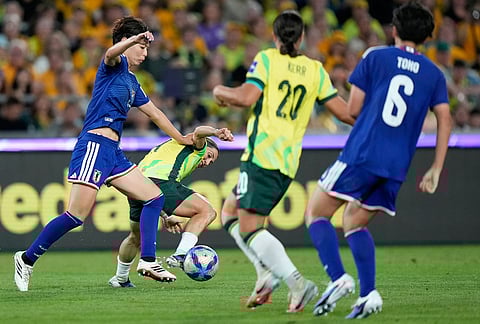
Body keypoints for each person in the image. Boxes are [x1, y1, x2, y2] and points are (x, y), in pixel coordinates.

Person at [14, 16, 194, 292]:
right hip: (94, 146)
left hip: (113, 152)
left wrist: (182, 138)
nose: (145, 53)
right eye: (141, 47)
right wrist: (133, 39)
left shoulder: (133, 83)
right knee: (75, 216)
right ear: (127, 42)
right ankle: (26, 259)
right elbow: (110, 52)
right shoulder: (114, 66)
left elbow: (156, 114)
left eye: (146, 47)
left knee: (154, 197)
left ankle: (147, 261)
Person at [305, 2, 452, 319]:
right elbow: (445, 119)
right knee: (354, 222)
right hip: (396, 166)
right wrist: (436, 168)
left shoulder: (375, 56)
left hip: (364, 152)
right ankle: (368, 294)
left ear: (394, 30)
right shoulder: (434, 74)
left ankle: (338, 278)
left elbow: (355, 110)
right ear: (426, 36)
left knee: (316, 212)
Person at [213, 10, 355, 313]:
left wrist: (220, 91)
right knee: (228, 212)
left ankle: (297, 283)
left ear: (275, 36)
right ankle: (265, 274)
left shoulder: (267, 59)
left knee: (250, 228)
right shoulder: (315, 70)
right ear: (301, 38)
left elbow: (247, 97)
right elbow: (345, 114)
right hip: (287, 161)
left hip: (262, 156)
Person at [108, 125, 234, 287]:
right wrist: (216, 132)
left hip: (136, 183)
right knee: (207, 211)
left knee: (135, 237)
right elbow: (198, 131)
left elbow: (150, 194)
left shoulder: (169, 147)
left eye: (211, 161)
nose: (207, 161)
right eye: (209, 156)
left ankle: (120, 279)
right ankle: (181, 254)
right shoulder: (197, 147)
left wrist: (166, 215)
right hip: (162, 182)